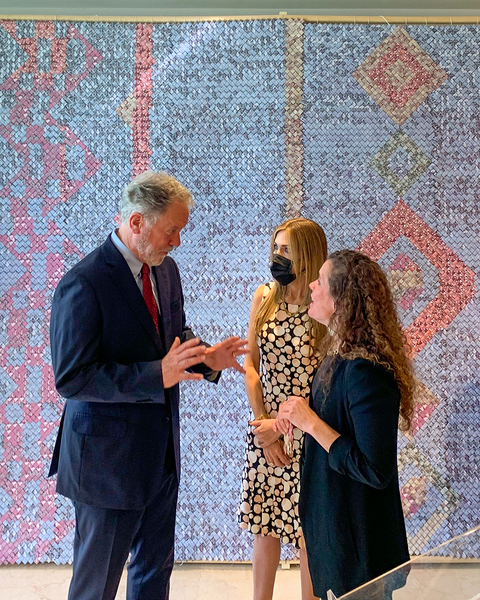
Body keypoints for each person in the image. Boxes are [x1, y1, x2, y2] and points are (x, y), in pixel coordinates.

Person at [48, 170, 248, 600]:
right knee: (95, 586)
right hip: (105, 467)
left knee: (153, 578)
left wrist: (207, 358)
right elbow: (71, 377)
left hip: (159, 460)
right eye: (172, 230)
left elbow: (173, 336)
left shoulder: (166, 270)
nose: (177, 241)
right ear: (137, 222)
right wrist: (156, 373)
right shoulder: (82, 283)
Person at [276, 249, 414, 600]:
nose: (310, 285)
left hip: (360, 553)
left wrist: (312, 423)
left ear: (340, 301)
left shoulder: (367, 372)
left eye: (319, 281)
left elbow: (374, 469)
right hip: (337, 541)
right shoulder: (336, 360)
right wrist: (299, 419)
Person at [238, 218, 328, 600]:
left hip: (308, 430)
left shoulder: (324, 304)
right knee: (266, 523)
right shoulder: (264, 297)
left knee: (308, 529)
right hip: (266, 430)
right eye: (276, 247)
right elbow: (251, 364)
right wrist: (264, 425)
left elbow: (326, 380)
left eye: (286, 249)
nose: (277, 256)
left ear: (307, 254)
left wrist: (285, 425)